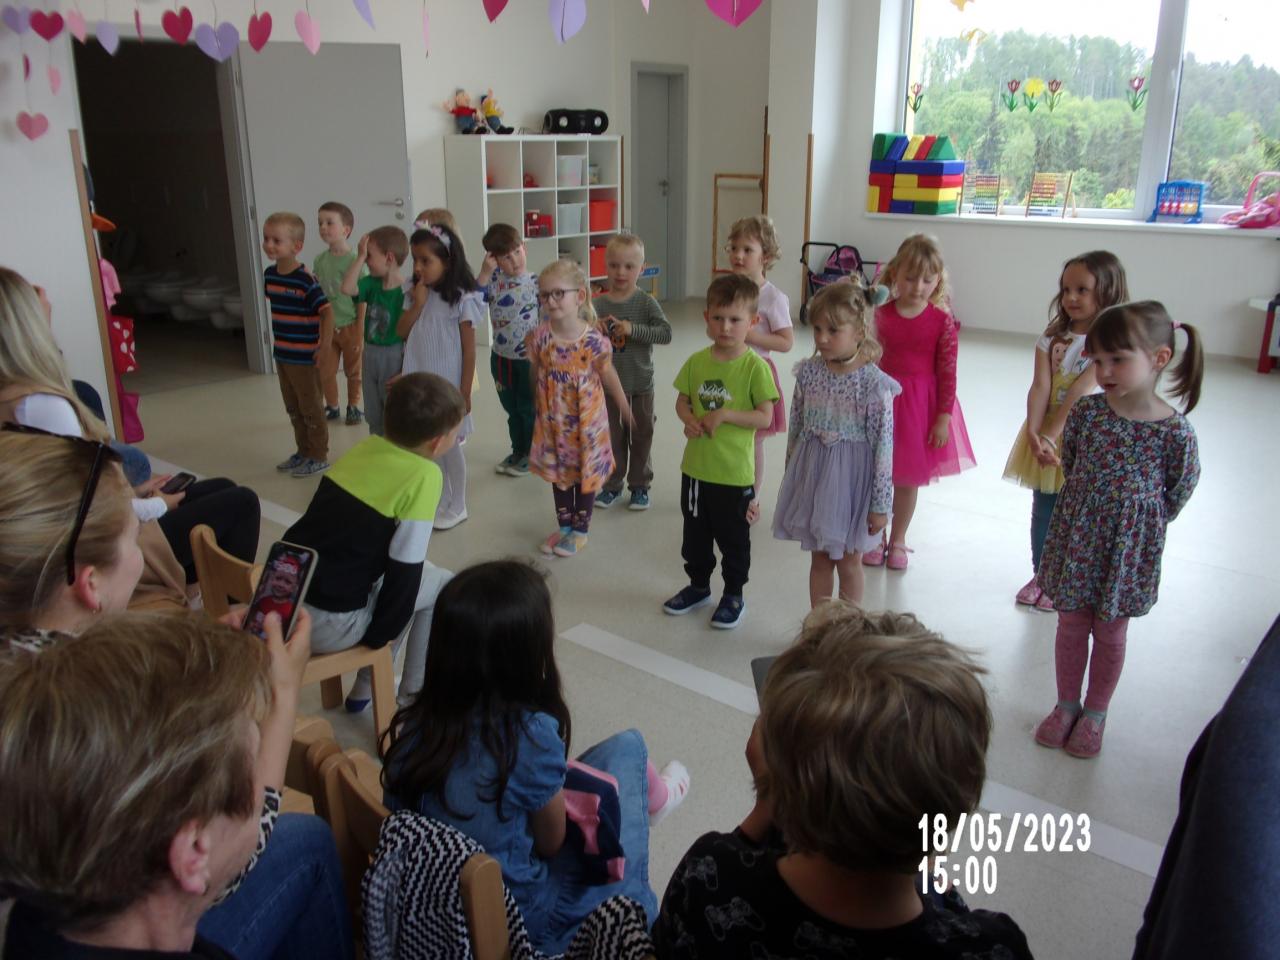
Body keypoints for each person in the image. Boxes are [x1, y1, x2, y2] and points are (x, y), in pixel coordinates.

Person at [0, 430, 351, 960]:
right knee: (308, 842)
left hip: (46, 924)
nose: (144, 548)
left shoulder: (35, 668)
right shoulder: (92, 708)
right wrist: (281, 697)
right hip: (128, 914)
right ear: (89, 582)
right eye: (134, 535)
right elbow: (232, 852)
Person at [652, 602, 1034, 959]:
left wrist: (766, 803)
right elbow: (946, 912)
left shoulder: (710, 878)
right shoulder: (994, 947)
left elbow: (695, 906)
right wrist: (927, 853)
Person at [0, 613, 352, 960]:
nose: (265, 789)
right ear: (194, 851)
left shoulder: (33, 908)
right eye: (253, 766)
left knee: (306, 838)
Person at [380, 560, 688, 956]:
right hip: (527, 921)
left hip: (437, 911)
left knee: (600, 770)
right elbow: (550, 843)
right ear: (526, 657)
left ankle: (654, 799)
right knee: (629, 749)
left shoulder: (415, 727)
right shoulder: (529, 735)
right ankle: (640, 925)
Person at [0, 266, 260, 595]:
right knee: (242, 503)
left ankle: (200, 591)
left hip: (84, 526)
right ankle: (228, 605)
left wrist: (136, 493)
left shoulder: (14, 396)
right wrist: (156, 505)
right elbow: (87, 508)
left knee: (221, 488)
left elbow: (69, 493)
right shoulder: (40, 405)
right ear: (26, 324)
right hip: (99, 542)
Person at [1034, 301, 1202, 758]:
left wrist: (1137, 523)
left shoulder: (1174, 432)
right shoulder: (1087, 414)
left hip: (1126, 551)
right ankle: (1066, 705)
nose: (1104, 371)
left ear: (1159, 358)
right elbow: (1072, 464)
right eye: (1098, 359)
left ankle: (1095, 713)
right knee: (1071, 623)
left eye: (1118, 360)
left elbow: (1180, 487)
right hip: (1078, 539)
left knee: (1110, 631)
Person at [285, 372, 464, 712]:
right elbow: (405, 569)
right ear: (438, 442)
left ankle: (366, 688)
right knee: (442, 585)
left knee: (413, 586)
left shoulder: (364, 449)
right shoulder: (425, 476)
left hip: (284, 602)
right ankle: (413, 700)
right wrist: (380, 638)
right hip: (328, 624)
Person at [1003, 251, 1128, 612]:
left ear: (1107, 291)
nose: (1071, 297)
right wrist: (1034, 431)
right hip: (1046, 434)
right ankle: (1042, 575)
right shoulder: (1052, 337)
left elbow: (1081, 390)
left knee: (1079, 512)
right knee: (1044, 507)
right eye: (1066, 289)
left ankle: (1070, 578)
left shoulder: (1110, 341)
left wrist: (1051, 435)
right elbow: (1040, 386)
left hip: (1085, 438)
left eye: (1082, 290)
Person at [772, 280, 898, 607]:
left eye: (833, 330)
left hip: (853, 487)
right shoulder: (809, 373)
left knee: (850, 562)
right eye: (817, 329)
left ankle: (848, 626)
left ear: (859, 332)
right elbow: (797, 428)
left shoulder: (873, 384)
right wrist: (792, 477)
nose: (822, 338)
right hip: (815, 478)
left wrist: (880, 505)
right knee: (820, 560)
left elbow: (883, 448)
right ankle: (821, 623)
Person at [663, 274, 778, 629]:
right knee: (695, 538)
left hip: (733, 475)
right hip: (696, 471)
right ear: (706, 318)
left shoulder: (755, 367)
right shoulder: (697, 361)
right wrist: (688, 419)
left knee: (733, 541)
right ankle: (699, 587)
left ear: (752, 322)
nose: (725, 327)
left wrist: (725, 414)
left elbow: (765, 417)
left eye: (735, 319)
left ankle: (733, 595)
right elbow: (682, 401)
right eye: (718, 318)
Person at [865, 234, 975, 571]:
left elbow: (948, 372)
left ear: (938, 280)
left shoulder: (941, 322)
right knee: (875, 473)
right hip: (881, 403)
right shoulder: (879, 315)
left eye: (928, 280)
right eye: (911, 278)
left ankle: (898, 538)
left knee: (907, 479)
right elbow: (866, 359)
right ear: (894, 274)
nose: (918, 287)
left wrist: (943, 417)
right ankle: (875, 535)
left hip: (917, 409)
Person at [527, 258, 633, 558]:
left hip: (586, 425)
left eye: (559, 293)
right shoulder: (541, 336)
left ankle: (580, 530)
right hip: (554, 423)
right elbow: (536, 369)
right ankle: (564, 527)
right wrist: (536, 401)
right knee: (560, 474)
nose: (550, 300)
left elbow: (608, 374)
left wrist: (624, 406)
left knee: (585, 473)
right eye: (544, 294)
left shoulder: (594, 342)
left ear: (580, 296)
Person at [398, 223, 481, 531]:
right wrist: (418, 303)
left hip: (447, 385)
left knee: (450, 445)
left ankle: (458, 504)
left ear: (447, 261)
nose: (418, 267)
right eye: (415, 260)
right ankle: (440, 498)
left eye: (426, 261)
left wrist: (464, 391)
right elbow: (401, 332)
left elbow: (469, 351)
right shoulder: (415, 291)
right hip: (420, 381)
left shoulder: (461, 298)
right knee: (428, 445)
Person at [593, 232, 671, 511]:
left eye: (629, 266)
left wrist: (632, 329)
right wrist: (592, 328)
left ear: (642, 268)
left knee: (641, 437)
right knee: (611, 439)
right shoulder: (598, 304)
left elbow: (665, 333)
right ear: (605, 266)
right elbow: (581, 339)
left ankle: (639, 486)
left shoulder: (646, 302)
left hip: (640, 386)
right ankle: (612, 485)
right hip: (607, 389)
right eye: (614, 265)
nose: (620, 272)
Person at [726, 215, 794, 524]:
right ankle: (727, 488)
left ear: (765, 256)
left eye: (747, 250)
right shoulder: (727, 289)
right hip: (728, 370)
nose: (738, 255)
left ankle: (750, 497)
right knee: (729, 435)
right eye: (734, 248)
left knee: (753, 440)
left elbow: (786, 342)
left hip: (756, 374)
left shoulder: (773, 297)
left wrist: (751, 336)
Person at [262, 211, 333, 478]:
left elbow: (326, 312)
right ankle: (303, 451)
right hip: (282, 354)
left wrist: (324, 346)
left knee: (311, 407)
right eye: (266, 239)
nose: (269, 245)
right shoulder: (270, 275)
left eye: (276, 240)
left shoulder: (305, 280)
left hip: (305, 358)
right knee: (293, 406)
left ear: (297, 246)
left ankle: (319, 455)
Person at [477, 222, 539, 477]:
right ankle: (518, 450)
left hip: (528, 360)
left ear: (524, 247)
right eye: (506, 257)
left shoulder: (536, 283)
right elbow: (472, 302)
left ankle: (530, 455)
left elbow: (549, 320)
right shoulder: (492, 281)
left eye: (517, 251)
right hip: (501, 358)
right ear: (493, 259)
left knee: (527, 408)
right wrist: (484, 273)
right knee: (511, 409)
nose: (515, 260)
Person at [342, 224, 410, 439]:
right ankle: (376, 441)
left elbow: (412, 334)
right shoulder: (371, 284)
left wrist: (407, 367)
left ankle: (392, 446)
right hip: (370, 353)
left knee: (391, 407)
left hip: (394, 354)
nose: (366, 261)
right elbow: (347, 288)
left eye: (369, 256)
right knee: (372, 408)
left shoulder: (407, 291)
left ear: (389, 258)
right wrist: (360, 256)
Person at [312, 201, 366, 426]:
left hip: (351, 325)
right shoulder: (320, 261)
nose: (323, 227)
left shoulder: (355, 261)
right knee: (325, 369)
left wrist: (360, 327)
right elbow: (318, 294)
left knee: (353, 371)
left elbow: (362, 298)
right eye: (320, 223)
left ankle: (353, 406)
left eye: (329, 223)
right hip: (327, 327)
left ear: (346, 230)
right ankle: (332, 406)